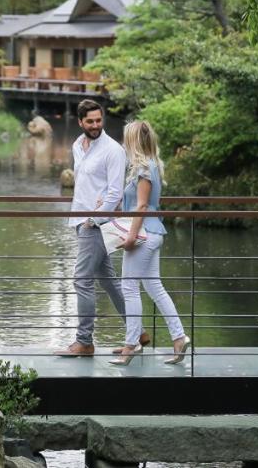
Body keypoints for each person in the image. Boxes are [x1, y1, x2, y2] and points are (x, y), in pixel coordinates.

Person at [56, 99, 146, 357]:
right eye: (90, 121)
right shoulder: (77, 145)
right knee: (107, 279)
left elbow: (115, 192)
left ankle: (84, 341)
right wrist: (81, 219)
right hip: (79, 221)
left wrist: (93, 219)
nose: (96, 125)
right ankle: (137, 331)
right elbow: (86, 186)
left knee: (82, 280)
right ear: (80, 122)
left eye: (99, 120)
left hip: (96, 224)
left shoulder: (113, 150)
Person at [109, 120, 189, 366]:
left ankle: (131, 345)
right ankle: (179, 337)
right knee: (154, 287)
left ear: (132, 141)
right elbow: (136, 204)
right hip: (153, 231)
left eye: (126, 139)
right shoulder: (150, 165)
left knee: (129, 287)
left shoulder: (143, 168)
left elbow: (142, 206)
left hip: (144, 233)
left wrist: (131, 236)